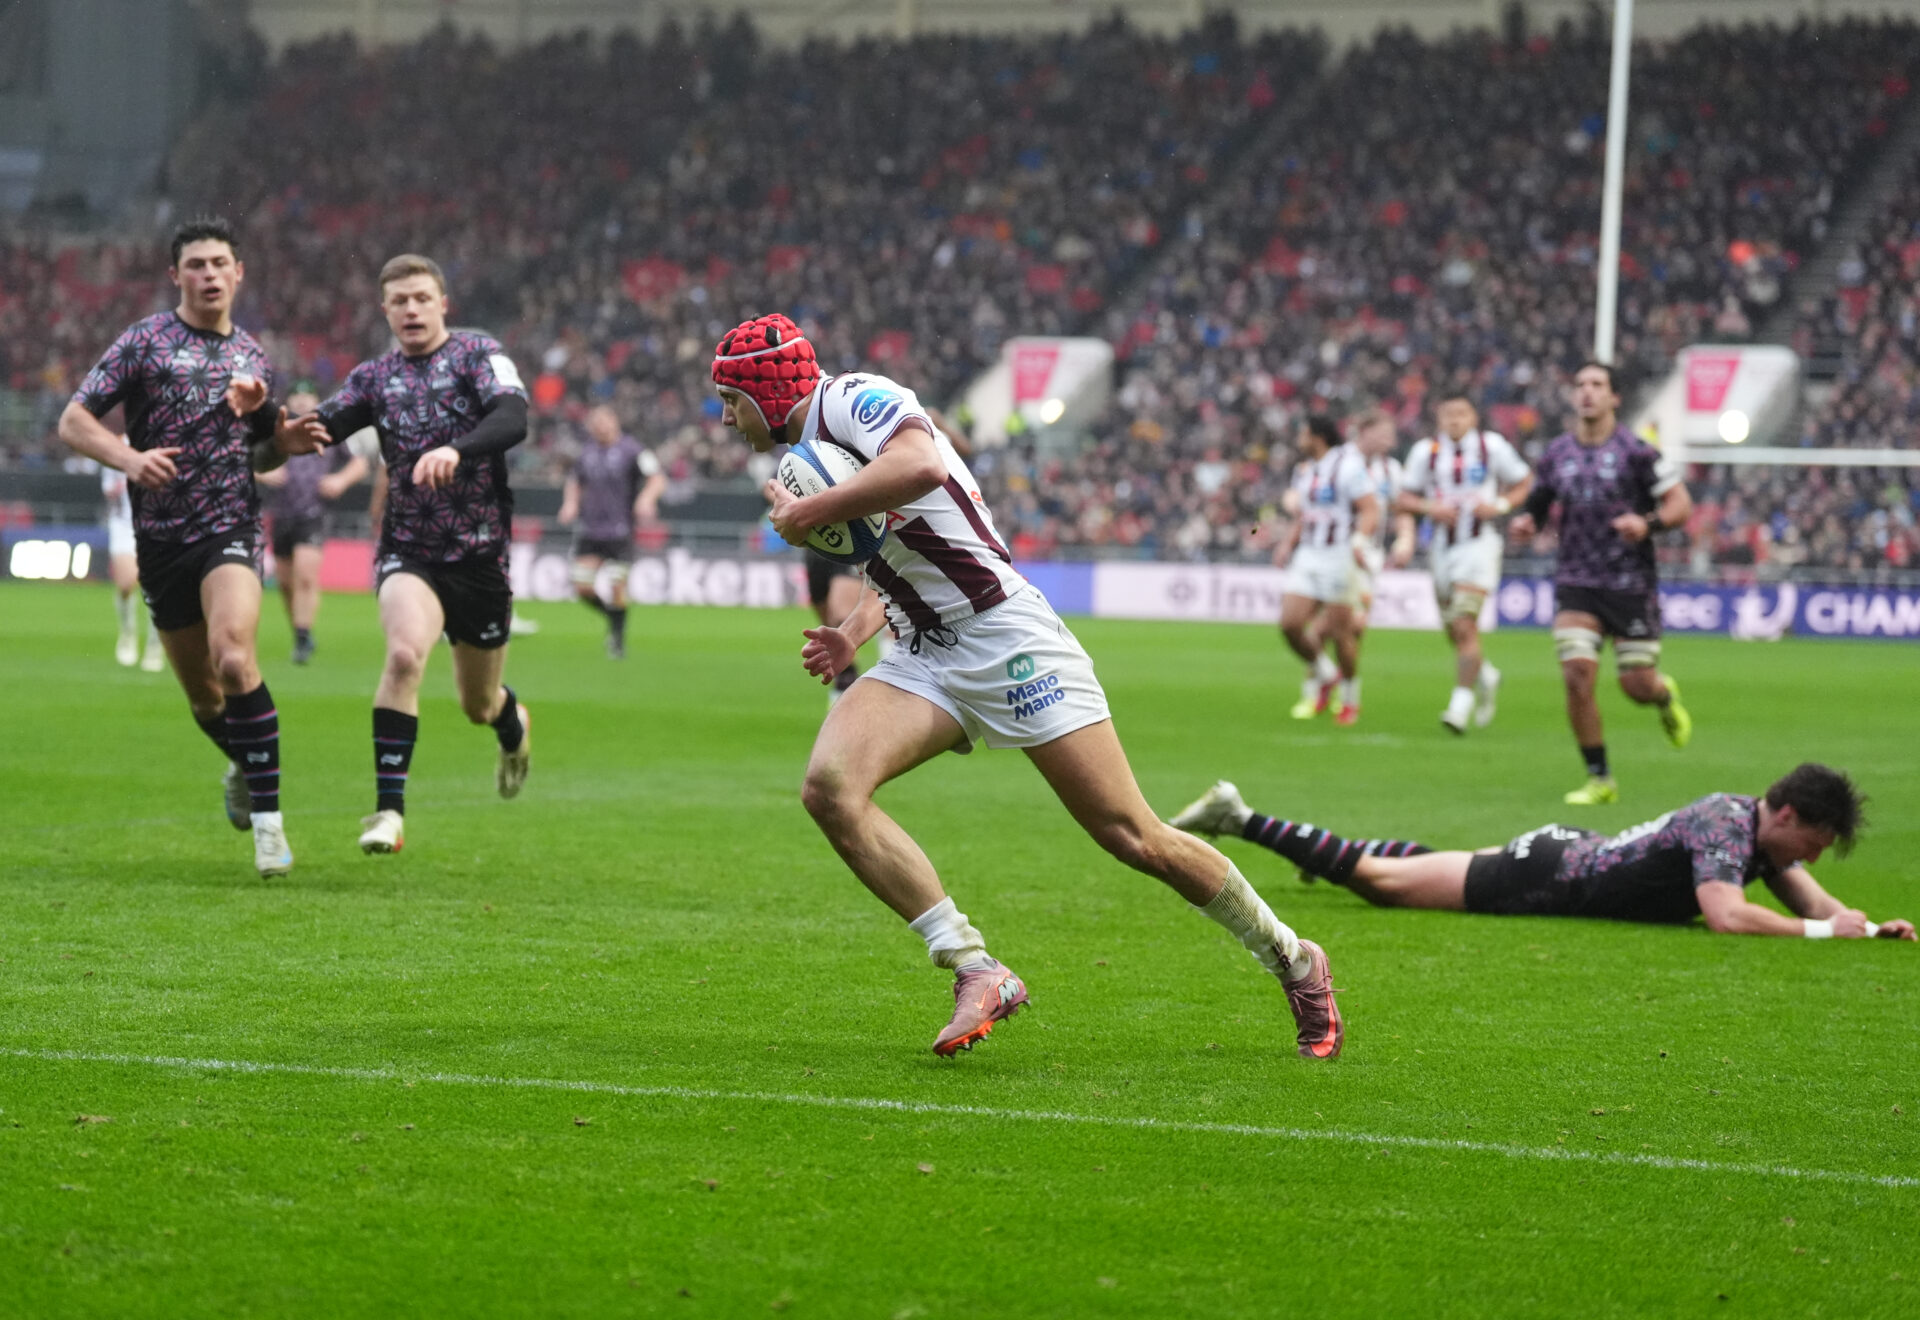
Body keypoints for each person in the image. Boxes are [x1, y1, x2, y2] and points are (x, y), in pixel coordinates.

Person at [713, 313, 1343, 1059]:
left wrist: (809, 513)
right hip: (924, 656)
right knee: (830, 788)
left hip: (1005, 638)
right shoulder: (815, 451)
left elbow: (923, 468)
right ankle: (976, 968)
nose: (725, 417)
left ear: (763, 386)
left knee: (1133, 836)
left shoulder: (854, 398)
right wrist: (853, 631)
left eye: (730, 398)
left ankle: (1294, 961)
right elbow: (904, 549)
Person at [57, 217, 321, 876]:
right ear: (176, 275)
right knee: (205, 698)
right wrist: (129, 457)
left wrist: (279, 437)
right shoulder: (144, 340)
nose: (208, 274)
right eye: (196, 264)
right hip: (161, 540)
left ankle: (269, 828)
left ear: (239, 274)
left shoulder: (253, 357)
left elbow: (259, 452)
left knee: (235, 658)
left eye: (219, 262)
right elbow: (73, 421)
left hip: (230, 529)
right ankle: (241, 760)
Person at [301, 254, 533, 856]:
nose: (410, 309)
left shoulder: (479, 356)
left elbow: (513, 417)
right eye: (399, 301)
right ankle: (388, 813)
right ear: (384, 309)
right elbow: (318, 426)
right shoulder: (374, 378)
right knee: (404, 656)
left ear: (442, 303)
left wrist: (456, 449)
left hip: (480, 556)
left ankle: (514, 725)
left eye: (421, 298)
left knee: (478, 705)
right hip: (409, 550)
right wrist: (268, 426)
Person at [1167, 766, 1915, 940]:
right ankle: (1239, 816)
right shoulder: (1725, 827)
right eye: (1811, 842)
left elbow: (1810, 898)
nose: (1807, 859)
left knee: (1413, 867)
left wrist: (1862, 923)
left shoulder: (1759, 838)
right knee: (1381, 882)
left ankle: (1312, 850)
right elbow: (1725, 915)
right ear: (1785, 813)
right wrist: (1821, 932)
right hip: (1544, 877)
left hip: (1563, 855)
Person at [1510, 363, 1694, 804]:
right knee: (1577, 676)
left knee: (1637, 687)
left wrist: (1647, 523)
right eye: (1581, 384)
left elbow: (1680, 503)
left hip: (1630, 583)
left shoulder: (1638, 452)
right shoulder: (1557, 454)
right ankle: (1600, 778)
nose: (1587, 392)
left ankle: (1664, 695)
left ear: (1615, 398)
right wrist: (1526, 523)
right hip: (1576, 580)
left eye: (1597, 385)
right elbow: (1537, 504)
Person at [1397, 392, 1533, 734]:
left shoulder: (1492, 448)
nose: (1455, 420)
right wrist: (1431, 509)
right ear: (1439, 419)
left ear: (1473, 417)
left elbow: (1524, 482)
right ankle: (1485, 675)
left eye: (1461, 413)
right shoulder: (1425, 453)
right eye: (1448, 413)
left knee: (1463, 622)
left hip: (1479, 545)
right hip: (1442, 548)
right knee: (1454, 629)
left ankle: (1460, 705)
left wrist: (1500, 505)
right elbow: (1403, 497)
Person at [254, 384, 369, 663]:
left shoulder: (326, 430)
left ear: (317, 400)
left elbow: (359, 464)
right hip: (280, 513)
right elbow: (246, 459)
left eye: (309, 397)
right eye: (298, 396)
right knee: (284, 582)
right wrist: (264, 474)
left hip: (314, 513)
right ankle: (299, 630)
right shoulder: (275, 429)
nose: (303, 402)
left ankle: (304, 636)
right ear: (289, 400)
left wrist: (339, 480)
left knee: (306, 575)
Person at [1276, 415, 1379, 725]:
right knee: (1290, 624)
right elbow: (1307, 515)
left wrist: (1359, 541)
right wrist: (1287, 543)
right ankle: (1326, 674)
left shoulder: (1348, 465)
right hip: (1309, 554)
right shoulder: (1306, 471)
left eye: (1303, 433)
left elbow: (1370, 508)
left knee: (1341, 632)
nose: (1299, 439)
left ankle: (1350, 699)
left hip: (1339, 556)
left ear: (1318, 437)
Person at [556, 403, 664, 658]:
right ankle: (614, 618)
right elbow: (574, 481)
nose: (600, 426)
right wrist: (570, 503)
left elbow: (657, 478)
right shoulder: (587, 452)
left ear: (614, 421)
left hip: (620, 531)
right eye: (596, 422)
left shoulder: (633, 450)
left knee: (617, 586)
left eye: (604, 420)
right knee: (582, 587)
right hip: (590, 529)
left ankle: (616, 638)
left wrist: (646, 499)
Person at [100, 443, 164, 671]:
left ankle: (156, 644)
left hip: (158, 522)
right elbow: (109, 487)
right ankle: (128, 631)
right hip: (124, 523)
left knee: (155, 588)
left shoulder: (163, 439)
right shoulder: (118, 445)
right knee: (127, 584)